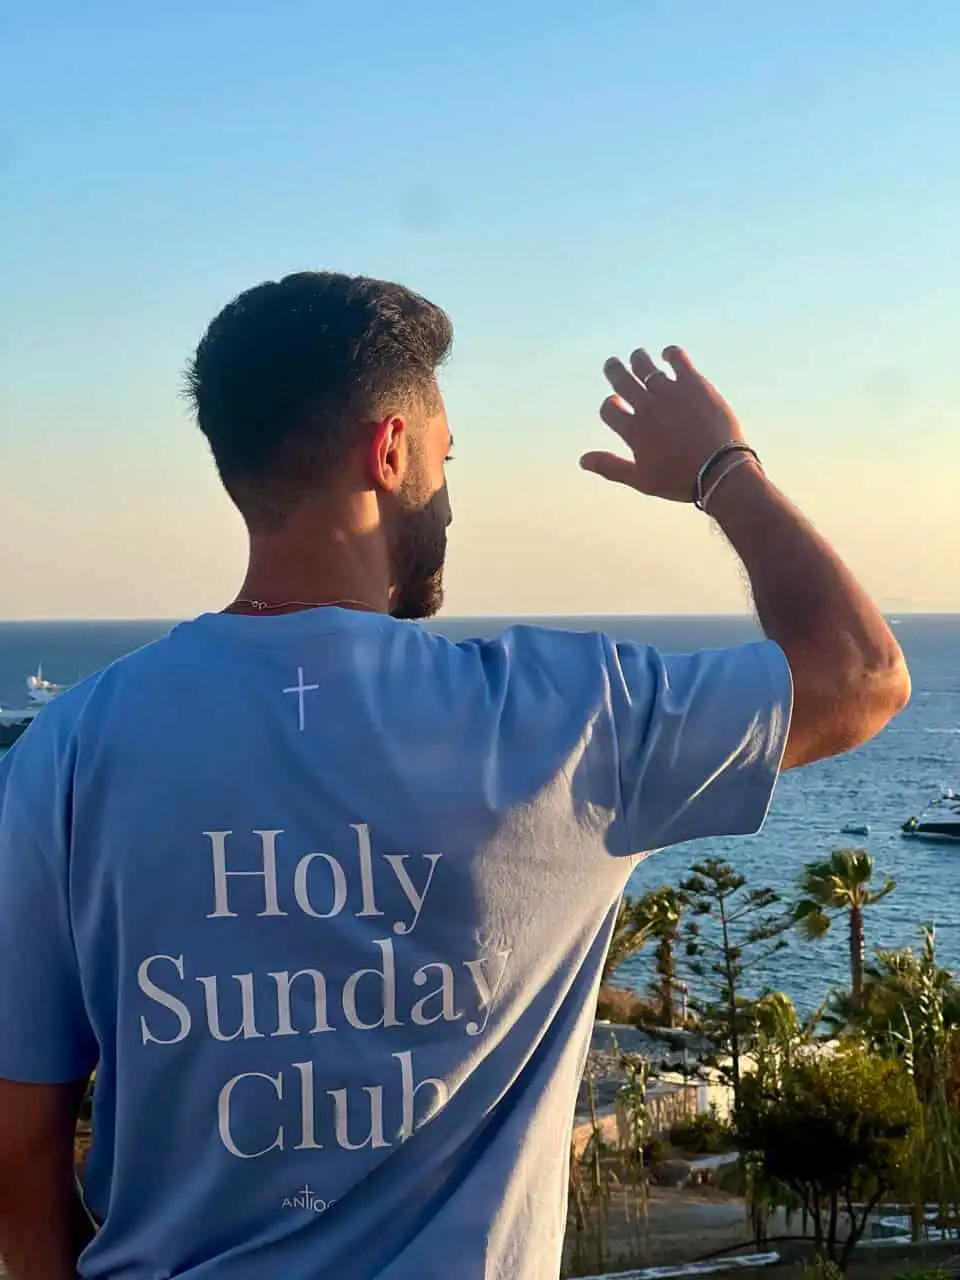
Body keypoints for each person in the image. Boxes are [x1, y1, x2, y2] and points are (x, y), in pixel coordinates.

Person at [0, 271, 909, 1280]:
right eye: (445, 459)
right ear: (389, 451)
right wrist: (723, 468)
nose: (446, 497)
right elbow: (861, 674)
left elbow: (20, 1148)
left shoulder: (69, 748)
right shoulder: (566, 716)